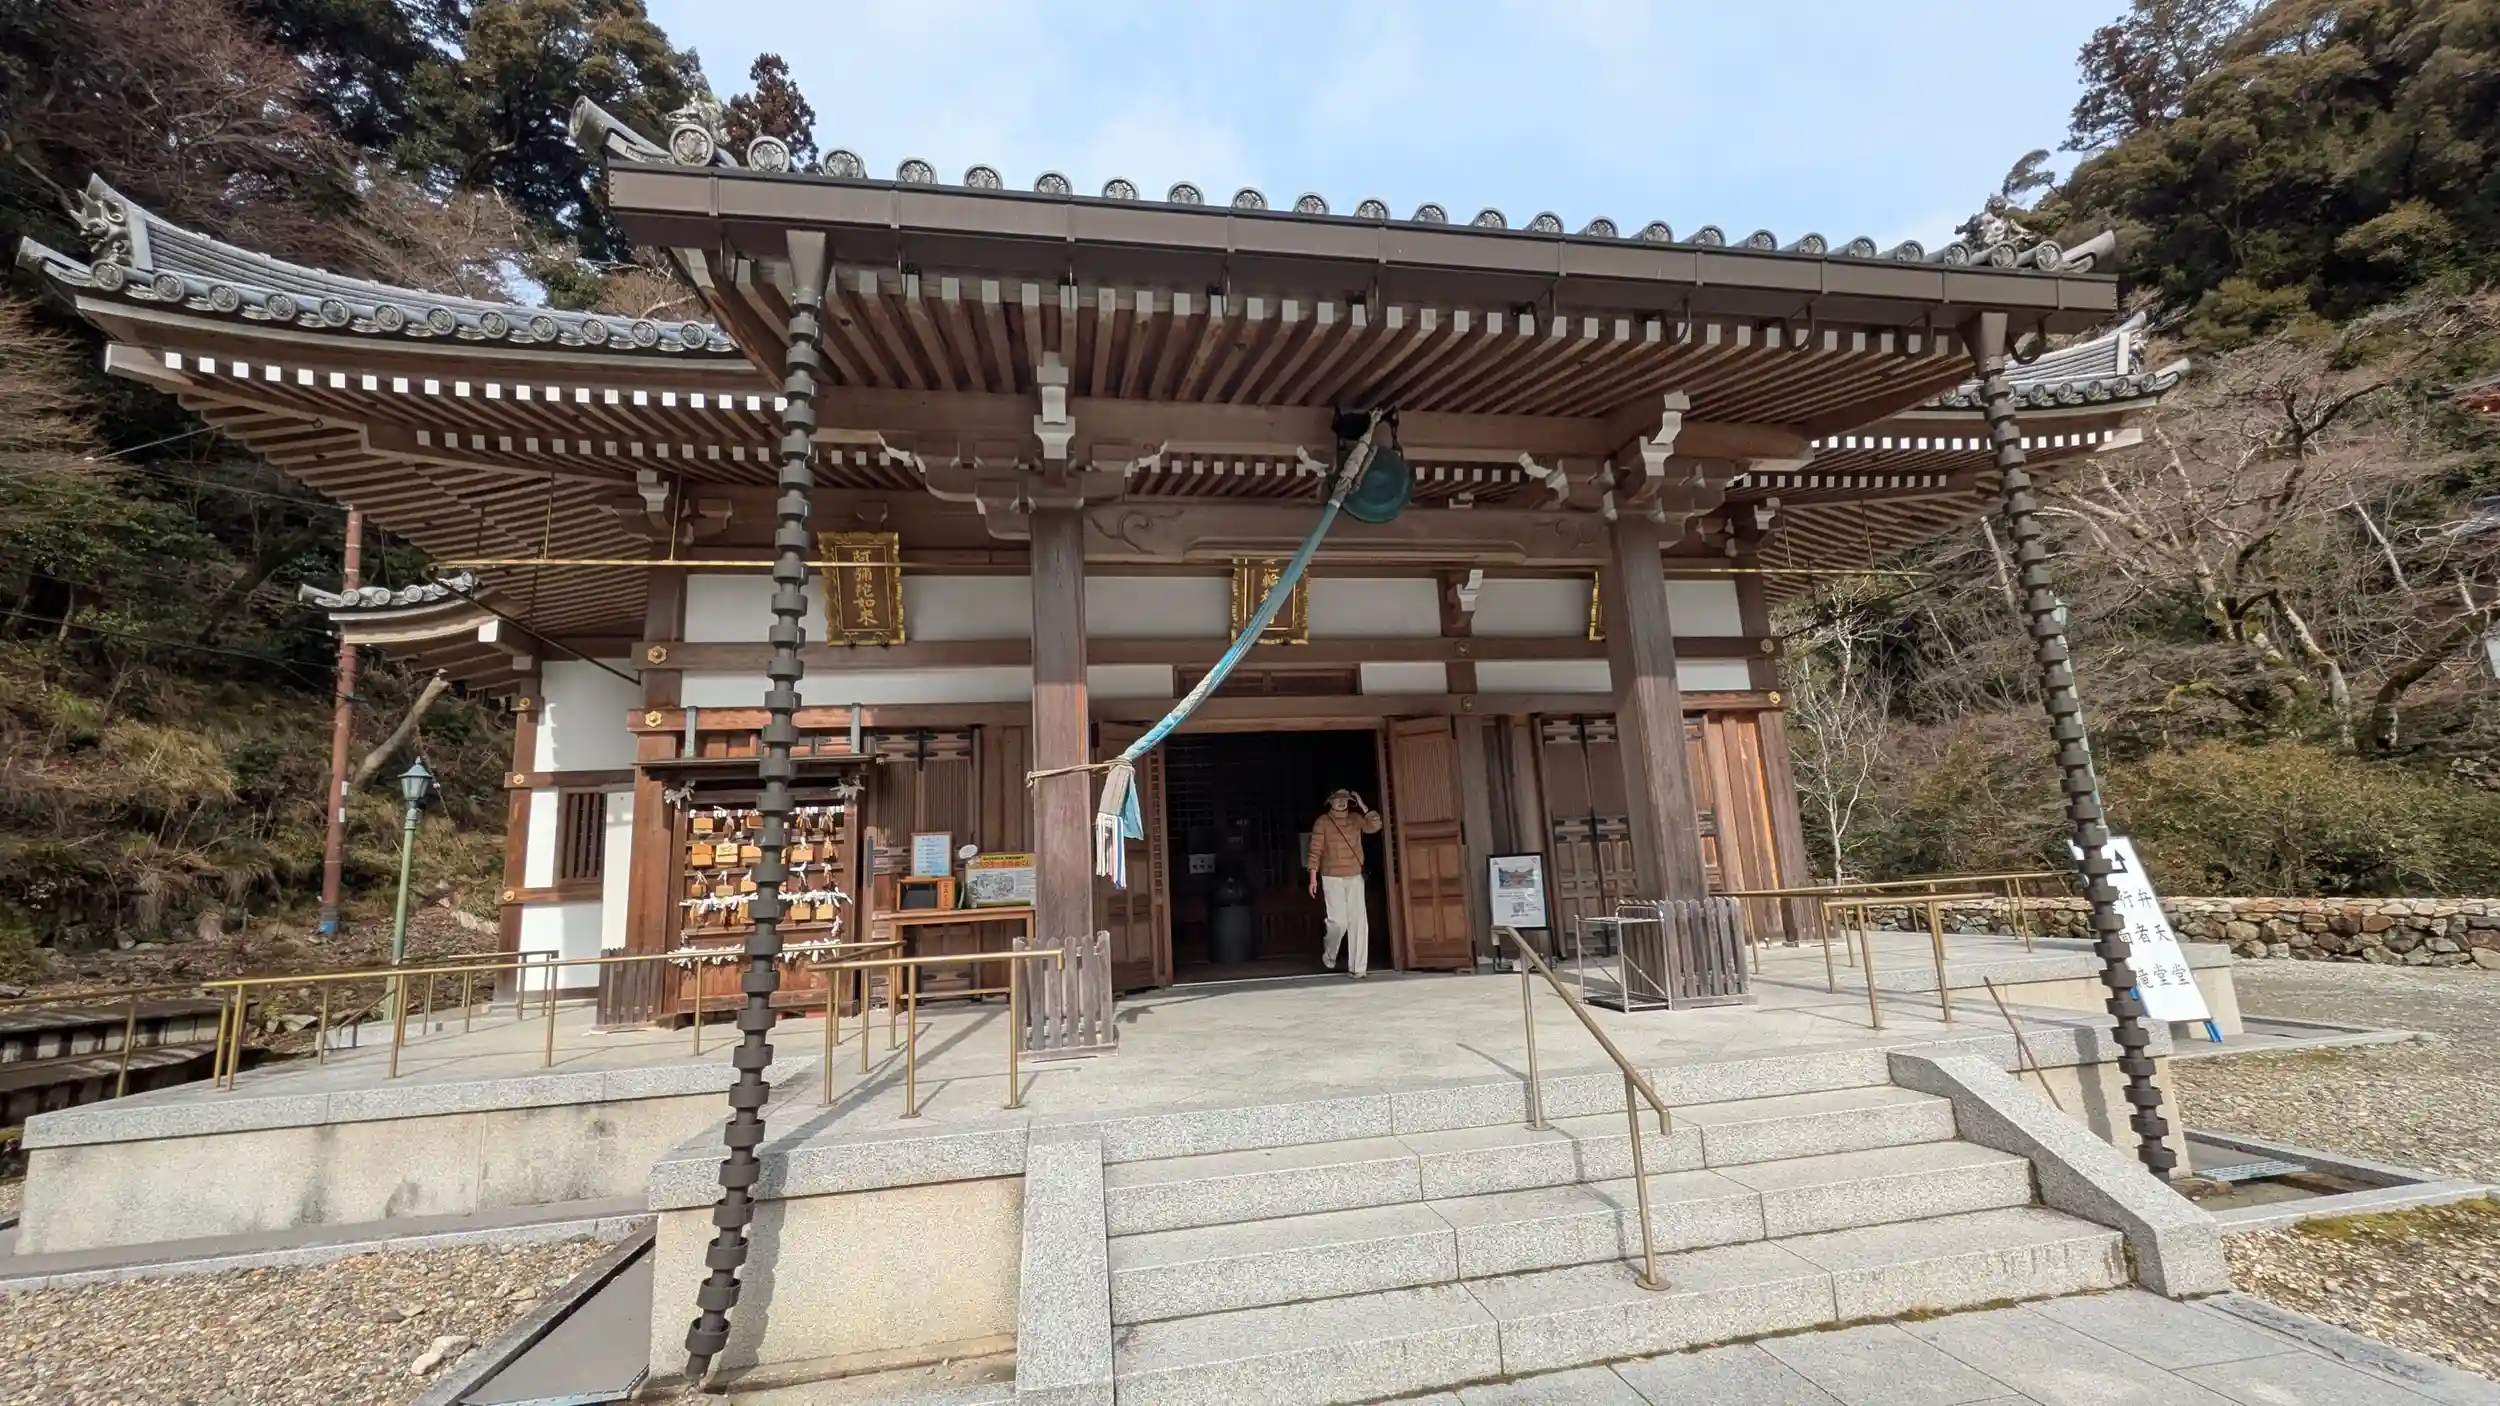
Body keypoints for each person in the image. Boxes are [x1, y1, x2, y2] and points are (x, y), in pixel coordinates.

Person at [1305, 788, 1384, 977]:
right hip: (1331, 876)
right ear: (1330, 802)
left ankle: (1359, 968)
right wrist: (1313, 878)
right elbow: (1315, 851)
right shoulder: (1323, 822)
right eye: (1337, 799)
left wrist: (1362, 805)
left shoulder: (1355, 819)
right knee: (1338, 922)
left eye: (1345, 799)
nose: (1341, 802)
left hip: (1355, 875)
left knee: (1358, 921)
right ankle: (1330, 953)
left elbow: (1376, 825)